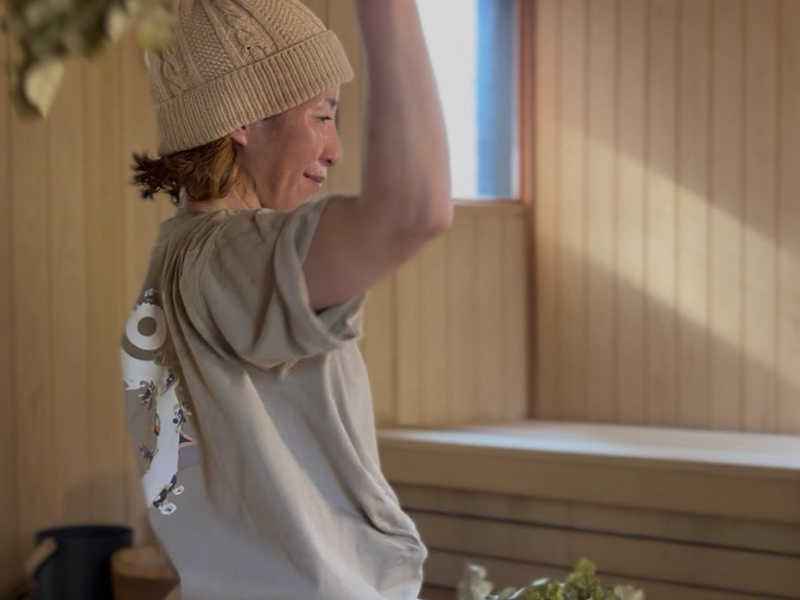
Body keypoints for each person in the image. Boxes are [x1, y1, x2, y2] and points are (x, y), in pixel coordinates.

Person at [119, 0, 451, 599]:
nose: (334, 149)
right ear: (244, 120)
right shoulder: (225, 261)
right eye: (321, 116)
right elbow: (414, 212)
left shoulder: (183, 261)